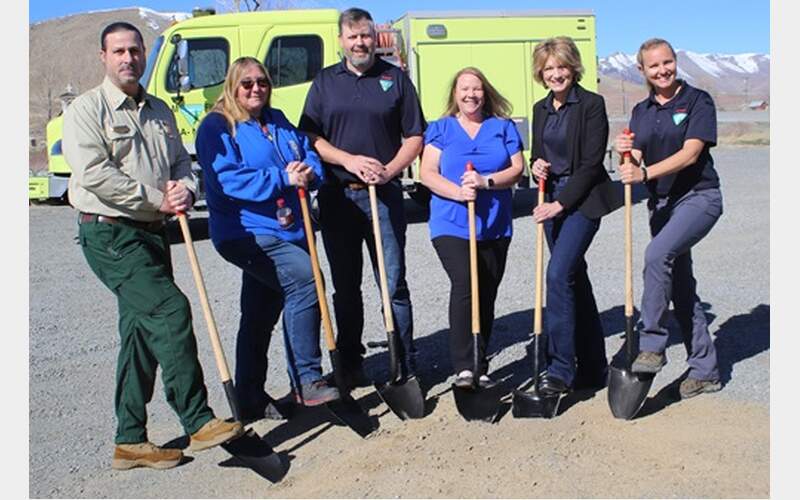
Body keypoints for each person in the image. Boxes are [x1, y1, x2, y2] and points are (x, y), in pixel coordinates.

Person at [62, 22, 242, 471]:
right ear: (103, 57)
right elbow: (95, 174)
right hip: (110, 233)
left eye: (135, 50)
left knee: (141, 334)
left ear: (144, 55)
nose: (128, 58)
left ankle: (130, 441)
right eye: (118, 51)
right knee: (168, 311)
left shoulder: (160, 109)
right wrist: (156, 198)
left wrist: (183, 188)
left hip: (152, 232)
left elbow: (182, 162)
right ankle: (198, 420)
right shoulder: (87, 110)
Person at [195, 57, 340, 416]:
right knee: (307, 280)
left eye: (262, 82)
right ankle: (308, 379)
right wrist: (283, 178)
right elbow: (227, 180)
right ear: (232, 86)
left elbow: (307, 154)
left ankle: (250, 398)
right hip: (247, 232)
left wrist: (308, 170)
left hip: (289, 227)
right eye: (247, 83)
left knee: (260, 311)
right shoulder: (218, 126)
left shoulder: (276, 121)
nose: (256, 88)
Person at [299, 7, 425, 389]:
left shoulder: (395, 79)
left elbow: (415, 136)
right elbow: (311, 138)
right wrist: (349, 160)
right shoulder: (324, 82)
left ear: (376, 38)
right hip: (338, 197)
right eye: (352, 37)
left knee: (392, 282)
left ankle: (403, 362)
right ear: (341, 40)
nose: (360, 43)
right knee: (346, 286)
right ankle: (351, 363)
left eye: (366, 36)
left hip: (384, 196)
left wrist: (389, 170)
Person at [614, 38, 723, 399]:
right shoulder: (642, 111)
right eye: (654, 66)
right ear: (642, 71)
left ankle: (652, 345)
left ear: (675, 62)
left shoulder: (697, 100)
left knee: (656, 256)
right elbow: (636, 161)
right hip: (661, 205)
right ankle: (706, 371)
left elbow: (691, 153)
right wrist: (627, 157)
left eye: (668, 63)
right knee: (680, 286)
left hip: (699, 198)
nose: (663, 71)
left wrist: (644, 175)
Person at [529, 37, 623, 396]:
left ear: (573, 68)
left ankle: (560, 371)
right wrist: (534, 164)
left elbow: (590, 164)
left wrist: (561, 204)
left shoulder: (592, 105)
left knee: (558, 274)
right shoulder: (540, 109)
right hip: (551, 198)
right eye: (549, 68)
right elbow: (539, 154)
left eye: (561, 67)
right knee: (574, 279)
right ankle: (594, 366)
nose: (556, 74)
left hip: (582, 201)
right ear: (541, 73)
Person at [419, 67, 524, 388]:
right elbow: (427, 172)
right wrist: (458, 192)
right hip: (451, 223)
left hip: (494, 225)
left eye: (476, 89)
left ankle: (481, 360)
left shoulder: (503, 127)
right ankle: (465, 367)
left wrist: (485, 182)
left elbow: (518, 169)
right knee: (466, 284)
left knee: (487, 292)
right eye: (464, 89)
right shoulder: (441, 129)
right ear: (455, 94)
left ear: (485, 92)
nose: (470, 95)